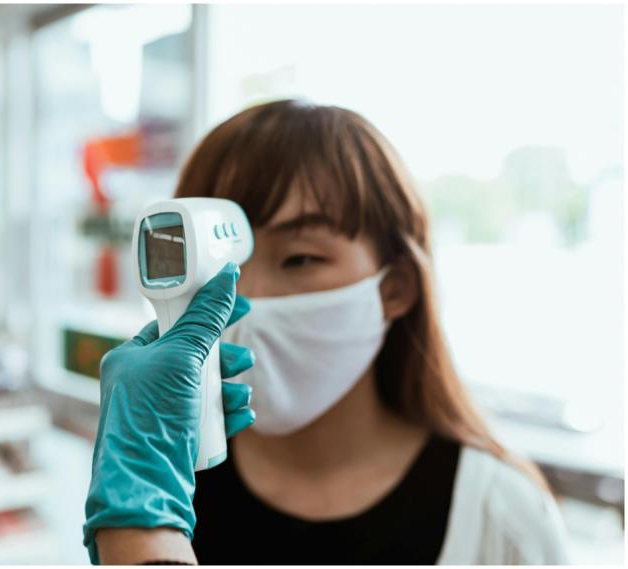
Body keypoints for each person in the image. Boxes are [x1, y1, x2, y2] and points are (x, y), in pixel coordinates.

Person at [83, 100, 569, 565]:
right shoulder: (172, 481)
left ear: (395, 288)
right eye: (221, 264)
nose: (245, 296)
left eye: (300, 259)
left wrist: (136, 531)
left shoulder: (498, 517)